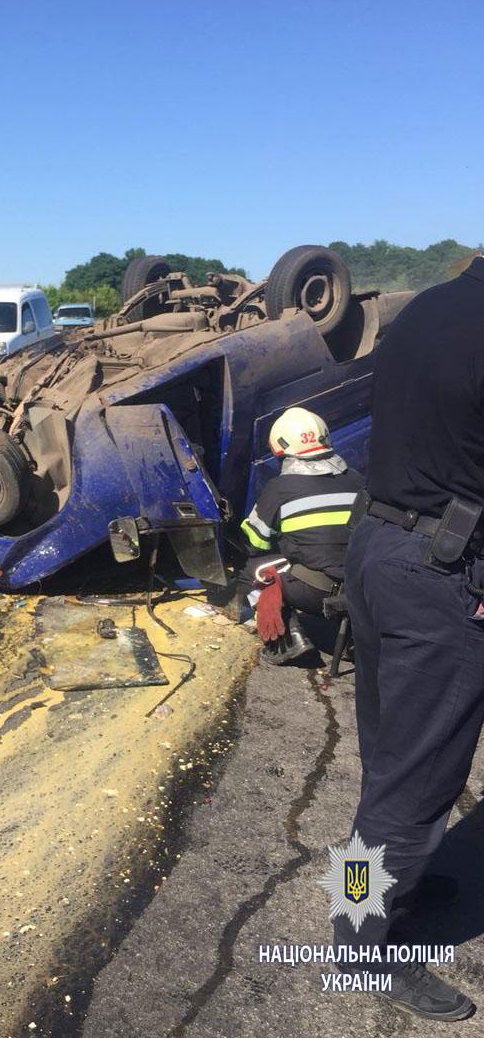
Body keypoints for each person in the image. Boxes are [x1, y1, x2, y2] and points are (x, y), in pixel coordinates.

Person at [331, 256, 484, 1021]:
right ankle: (359, 940)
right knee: (410, 783)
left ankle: (396, 888)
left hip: (379, 544)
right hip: (441, 574)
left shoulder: (424, 310)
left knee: (390, 756)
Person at [240, 407, 363, 664]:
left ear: (280, 448)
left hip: (312, 593)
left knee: (253, 570)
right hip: (362, 588)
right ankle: (353, 637)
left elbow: (256, 542)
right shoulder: (357, 480)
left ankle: (288, 640)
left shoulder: (279, 488)